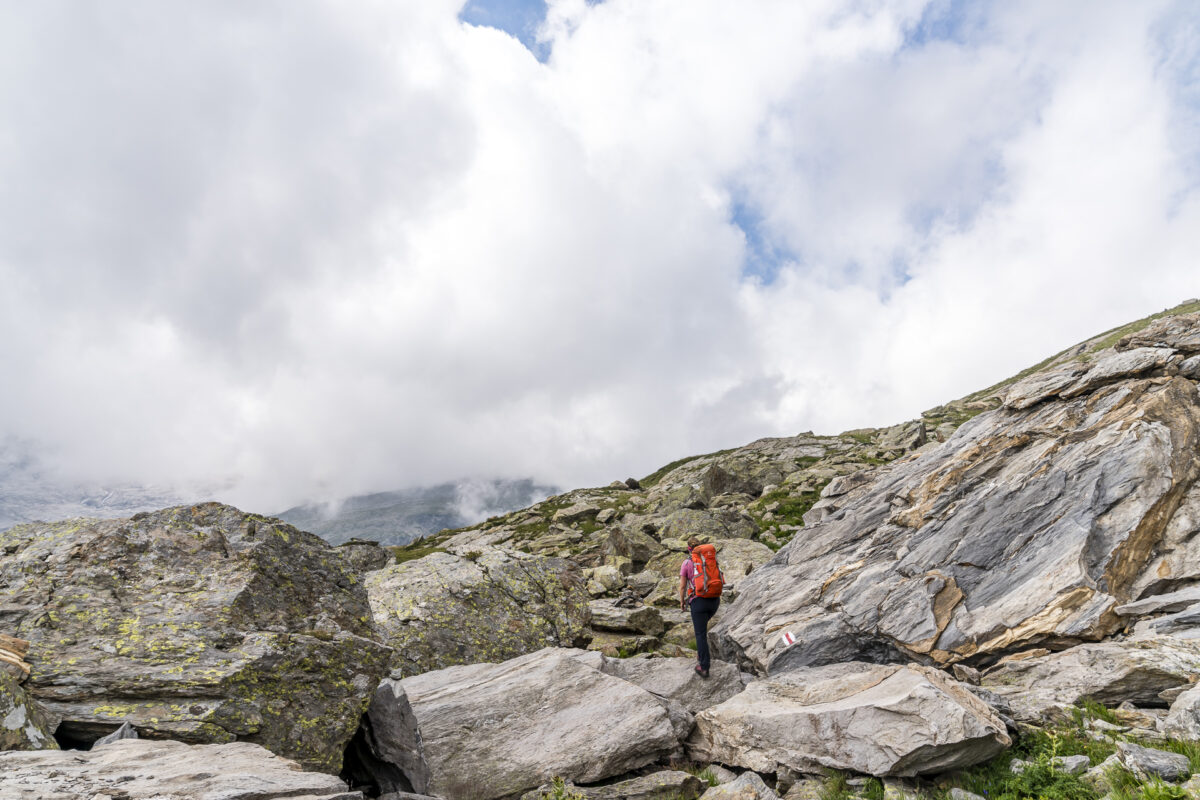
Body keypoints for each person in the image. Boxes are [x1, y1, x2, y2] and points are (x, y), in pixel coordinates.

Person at [678, 536, 720, 678]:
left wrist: (682, 601)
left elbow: (683, 586)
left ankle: (704, 667)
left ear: (688, 549)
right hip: (714, 601)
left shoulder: (687, 563)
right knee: (703, 628)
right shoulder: (709, 560)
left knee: (700, 634)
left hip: (699, 602)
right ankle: (701, 654)